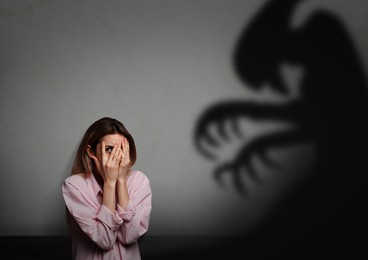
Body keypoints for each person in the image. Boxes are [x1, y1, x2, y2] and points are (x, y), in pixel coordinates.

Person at [62, 117, 152, 260]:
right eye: (109, 149)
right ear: (91, 152)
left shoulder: (139, 181)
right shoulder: (74, 186)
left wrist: (121, 181)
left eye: (121, 149)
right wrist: (109, 183)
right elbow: (105, 240)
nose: (117, 157)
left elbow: (129, 237)